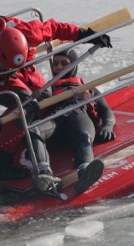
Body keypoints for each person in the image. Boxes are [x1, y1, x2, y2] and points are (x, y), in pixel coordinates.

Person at [0, 12, 111, 208]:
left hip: (21, 65)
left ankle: (14, 129)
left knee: (45, 100)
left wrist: (85, 34)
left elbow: (54, 28)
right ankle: (2, 162)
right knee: (25, 105)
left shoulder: (27, 32)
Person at [36, 48, 116, 193]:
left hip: (78, 119)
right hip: (56, 126)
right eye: (55, 64)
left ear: (74, 65)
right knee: (34, 130)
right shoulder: (46, 91)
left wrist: (108, 126)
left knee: (83, 134)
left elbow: (106, 111)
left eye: (64, 63)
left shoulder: (87, 89)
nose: (59, 67)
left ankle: (85, 170)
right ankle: (45, 174)